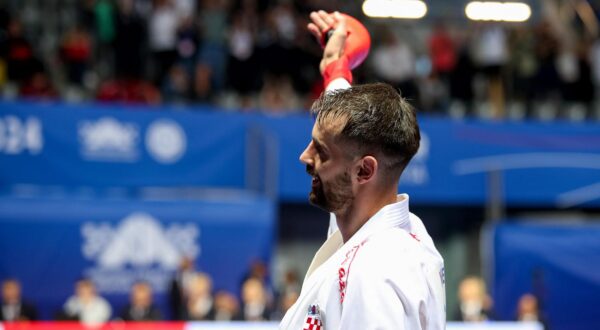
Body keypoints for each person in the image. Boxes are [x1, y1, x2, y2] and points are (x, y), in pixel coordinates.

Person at [279, 11, 446, 329]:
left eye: (321, 151)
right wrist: (336, 66)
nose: (305, 156)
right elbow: (341, 130)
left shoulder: (375, 272)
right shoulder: (379, 224)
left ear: (364, 172)